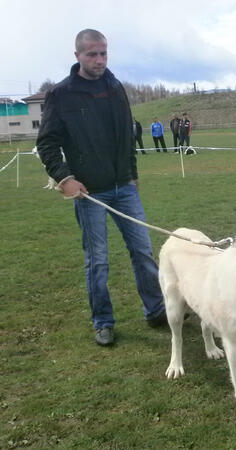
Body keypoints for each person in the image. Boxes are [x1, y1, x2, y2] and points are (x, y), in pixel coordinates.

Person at [36, 29, 166, 347]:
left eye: (104, 53)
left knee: (143, 252)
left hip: (125, 187)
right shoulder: (61, 94)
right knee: (98, 260)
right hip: (90, 192)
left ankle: (156, 309)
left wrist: (131, 174)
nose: (99, 60)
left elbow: (126, 136)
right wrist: (65, 179)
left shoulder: (115, 87)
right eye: (92, 54)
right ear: (77, 55)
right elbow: (47, 143)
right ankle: (103, 321)